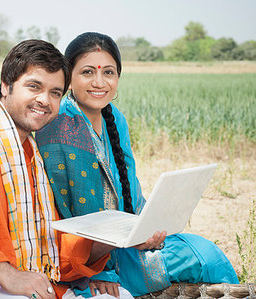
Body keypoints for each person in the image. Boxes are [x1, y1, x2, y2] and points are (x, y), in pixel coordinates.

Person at [0, 39, 163, 299]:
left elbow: (51, 242)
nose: (44, 100)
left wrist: (124, 237)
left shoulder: (31, 151)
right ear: (6, 85)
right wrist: (9, 275)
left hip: (32, 280)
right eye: (34, 87)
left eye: (55, 93)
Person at [35, 32, 239, 297]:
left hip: (127, 239)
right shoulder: (62, 124)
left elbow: (130, 189)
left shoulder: (114, 118)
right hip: (82, 258)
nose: (99, 82)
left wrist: (148, 229)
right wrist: (100, 271)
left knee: (206, 253)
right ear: (68, 78)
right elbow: (71, 213)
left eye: (108, 72)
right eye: (87, 72)